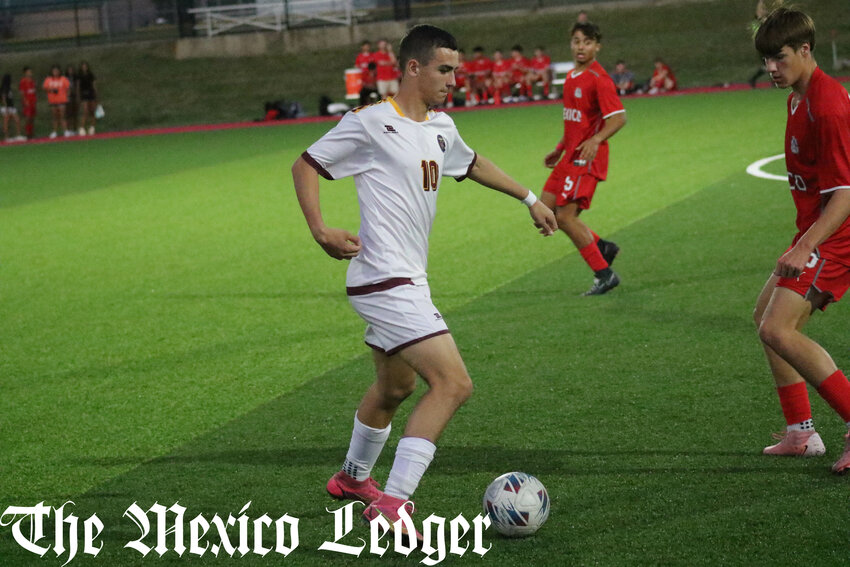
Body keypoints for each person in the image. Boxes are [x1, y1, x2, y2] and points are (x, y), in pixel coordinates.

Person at [291, 24, 557, 537]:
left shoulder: (440, 127)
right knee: (453, 384)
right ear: (414, 68)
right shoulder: (369, 123)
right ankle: (393, 505)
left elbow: (472, 162)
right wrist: (319, 229)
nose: (454, 80)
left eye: (456, 70)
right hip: (384, 278)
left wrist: (530, 198)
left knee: (396, 386)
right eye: (445, 69)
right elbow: (306, 165)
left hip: (407, 278)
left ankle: (352, 479)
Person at [752, 7, 850, 474]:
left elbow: (845, 195)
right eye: (767, 59)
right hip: (818, 231)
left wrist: (805, 245)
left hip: (838, 235)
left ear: (805, 50)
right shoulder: (798, 96)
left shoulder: (827, 105)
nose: (772, 67)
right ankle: (801, 432)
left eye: (780, 57)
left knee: (777, 328)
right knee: (763, 318)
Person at [540, 21, 627, 296]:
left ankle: (605, 274)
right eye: (577, 41)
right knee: (546, 209)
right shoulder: (573, 76)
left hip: (587, 159)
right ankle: (602, 247)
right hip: (569, 155)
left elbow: (619, 118)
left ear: (597, 46)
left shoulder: (599, 79)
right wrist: (559, 147)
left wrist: (596, 139)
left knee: (565, 217)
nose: (581, 47)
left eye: (587, 42)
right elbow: (575, 121)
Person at [42, 64, 71, 138]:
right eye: (54, 71)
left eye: (57, 71)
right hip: (53, 101)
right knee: (55, 117)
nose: (55, 72)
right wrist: (51, 90)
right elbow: (45, 88)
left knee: (62, 116)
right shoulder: (48, 79)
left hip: (62, 100)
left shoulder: (63, 79)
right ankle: (54, 131)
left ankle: (66, 130)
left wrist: (67, 97)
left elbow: (68, 88)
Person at [1, 73, 25, 142]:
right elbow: (3, 98)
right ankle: (6, 137)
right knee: (6, 121)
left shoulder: (9, 88)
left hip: (11, 107)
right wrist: (6, 108)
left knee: (17, 120)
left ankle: (18, 135)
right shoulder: (4, 88)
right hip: (6, 107)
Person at [78, 61, 98, 136]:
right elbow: (78, 86)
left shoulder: (90, 75)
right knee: (85, 111)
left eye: (85, 66)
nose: (84, 67)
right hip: (84, 94)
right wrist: (79, 96)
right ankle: (82, 128)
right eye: (83, 66)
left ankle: (92, 127)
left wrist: (96, 94)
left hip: (91, 94)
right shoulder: (79, 76)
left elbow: (94, 85)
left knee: (92, 111)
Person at [19, 66, 36, 139]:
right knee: (27, 118)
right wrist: (25, 101)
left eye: (30, 71)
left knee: (32, 118)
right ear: (25, 73)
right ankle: (27, 134)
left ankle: (31, 133)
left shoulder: (32, 81)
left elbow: (34, 91)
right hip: (27, 102)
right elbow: (22, 93)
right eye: (28, 72)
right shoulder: (23, 81)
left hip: (33, 102)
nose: (30, 73)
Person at [65, 64, 79, 136]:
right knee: (68, 114)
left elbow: (77, 87)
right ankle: (68, 129)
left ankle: (75, 129)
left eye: (71, 70)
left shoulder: (75, 78)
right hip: (68, 97)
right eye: (69, 70)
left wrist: (77, 95)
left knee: (75, 114)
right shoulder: (65, 78)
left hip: (74, 96)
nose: (70, 71)